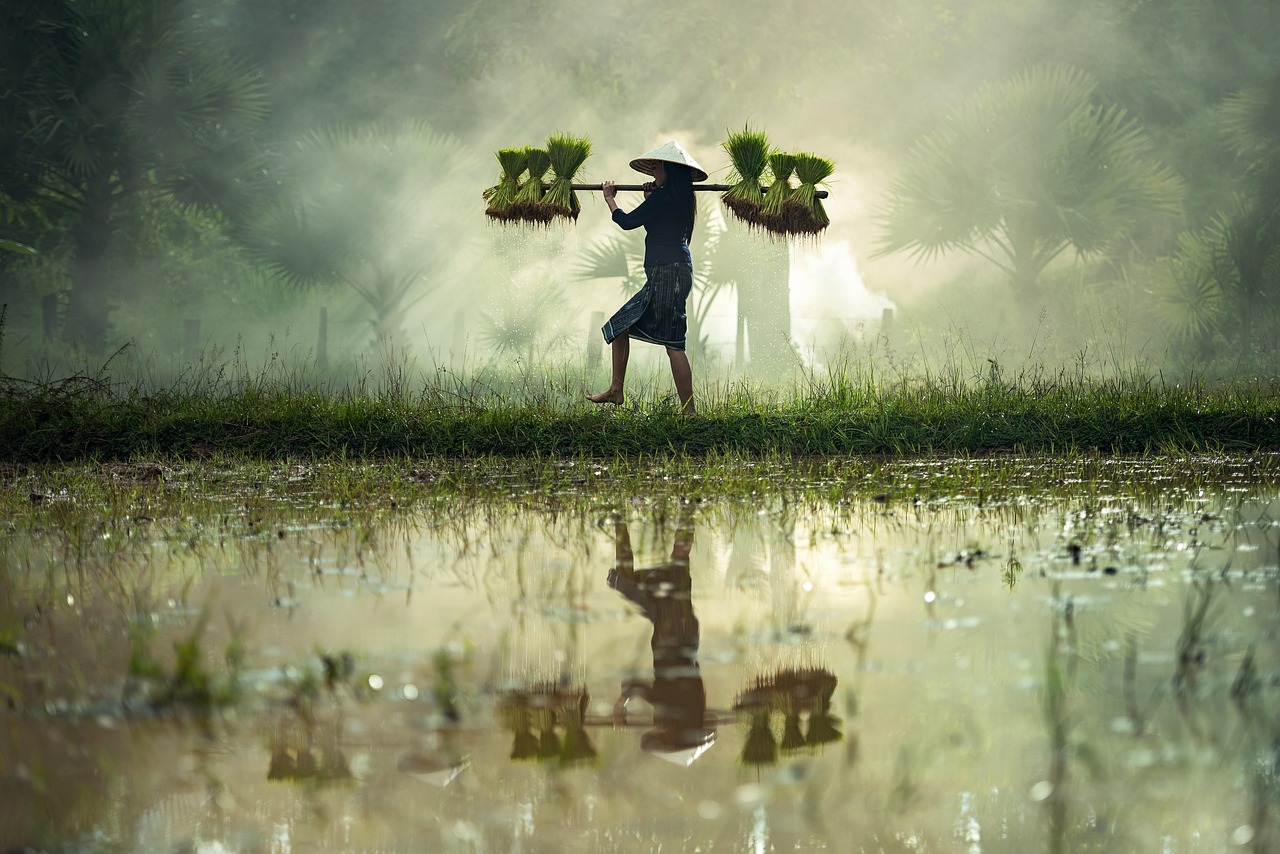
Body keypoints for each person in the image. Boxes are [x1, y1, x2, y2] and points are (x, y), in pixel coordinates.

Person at [588, 141, 707, 415]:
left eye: (657, 166)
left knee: (673, 344)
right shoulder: (677, 198)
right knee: (623, 328)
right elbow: (657, 224)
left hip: (667, 273)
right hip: (672, 271)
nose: (653, 170)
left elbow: (628, 222)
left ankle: (689, 412)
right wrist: (649, 199)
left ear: (670, 169)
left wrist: (610, 198)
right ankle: (617, 390)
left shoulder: (663, 196)